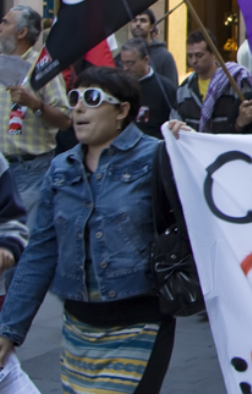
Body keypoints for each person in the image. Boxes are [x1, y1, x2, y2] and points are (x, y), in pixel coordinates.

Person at [0, 67, 177, 392]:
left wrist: (187, 145)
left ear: (122, 110)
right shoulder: (60, 168)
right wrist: (8, 330)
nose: (78, 108)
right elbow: (40, 251)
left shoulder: (159, 156)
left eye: (92, 98)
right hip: (79, 331)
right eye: (74, 98)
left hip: (140, 326)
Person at [0, 5, 71, 226]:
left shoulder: (43, 67)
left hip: (29, 172)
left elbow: (65, 120)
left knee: (22, 243)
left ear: (21, 33)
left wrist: (34, 104)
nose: (0, 27)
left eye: (5, 23)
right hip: (2, 168)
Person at [176, 31, 249, 134]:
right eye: (190, 56)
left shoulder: (234, 82)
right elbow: (176, 120)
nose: (193, 61)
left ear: (213, 53)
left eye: (199, 55)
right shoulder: (184, 89)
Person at [118, 38, 178, 138]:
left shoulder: (165, 88)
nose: (125, 68)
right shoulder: (118, 87)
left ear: (146, 60)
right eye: (123, 63)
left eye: (130, 63)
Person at [127, 8, 179, 86]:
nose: (138, 24)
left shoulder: (164, 56)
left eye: (143, 20)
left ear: (151, 27)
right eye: (134, 20)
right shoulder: (124, 54)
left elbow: (172, 89)